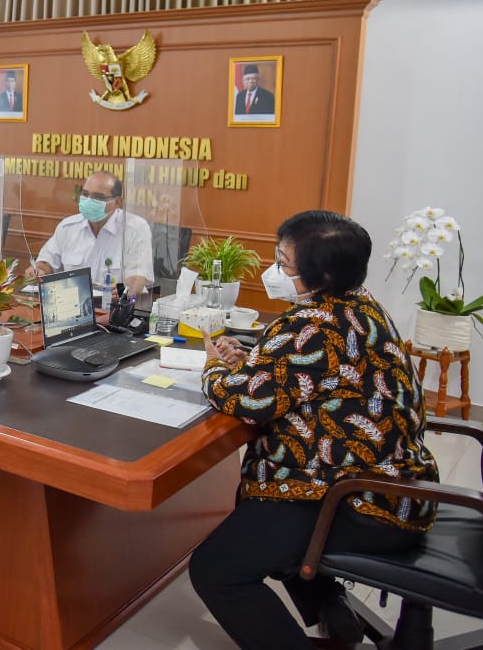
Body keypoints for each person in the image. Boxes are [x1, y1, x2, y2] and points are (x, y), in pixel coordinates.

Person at [190, 210, 438, 649]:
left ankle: (322, 612)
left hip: (355, 499)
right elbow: (312, 377)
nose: (275, 269)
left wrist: (213, 367)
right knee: (263, 529)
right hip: (396, 485)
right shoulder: (358, 303)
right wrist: (250, 364)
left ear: (320, 273)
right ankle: (332, 611)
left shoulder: (315, 324)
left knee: (216, 570)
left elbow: (246, 402)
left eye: (284, 263)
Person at [24, 171, 154, 294]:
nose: (89, 201)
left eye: (98, 197)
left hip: (117, 308)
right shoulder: (68, 227)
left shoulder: (135, 228)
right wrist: (38, 272)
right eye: (85, 194)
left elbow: (138, 279)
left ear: (118, 202)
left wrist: (121, 291)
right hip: (74, 307)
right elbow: (47, 264)